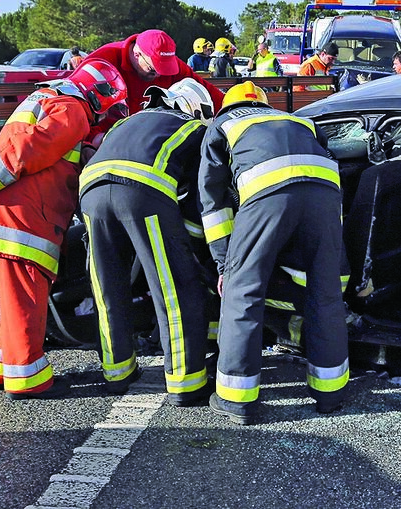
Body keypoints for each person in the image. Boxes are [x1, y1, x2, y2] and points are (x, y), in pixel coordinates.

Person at [0, 60, 128, 400]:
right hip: (23, 220)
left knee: (14, 300)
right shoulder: (73, 109)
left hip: (10, 214)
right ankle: (29, 380)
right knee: (27, 300)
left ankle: (1, 368)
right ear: (98, 96)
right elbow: (29, 148)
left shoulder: (48, 100)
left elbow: (46, 154)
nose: (101, 118)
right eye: (107, 109)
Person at [199, 81, 349, 425]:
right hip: (326, 194)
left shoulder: (223, 124)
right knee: (325, 294)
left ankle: (236, 400)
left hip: (267, 192)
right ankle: (330, 393)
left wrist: (224, 265)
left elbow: (213, 203)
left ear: (227, 106)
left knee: (243, 292)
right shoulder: (300, 121)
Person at [78, 78, 216, 404]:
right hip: (142, 191)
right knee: (173, 289)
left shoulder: (126, 122)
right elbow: (199, 198)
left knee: (108, 287)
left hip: (91, 192)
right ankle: (186, 383)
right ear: (197, 109)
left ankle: (117, 373)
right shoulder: (194, 129)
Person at [81, 29, 224, 115]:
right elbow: (79, 106)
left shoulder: (171, 64)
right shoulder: (102, 60)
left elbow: (206, 92)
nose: (159, 75)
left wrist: (231, 108)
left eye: (165, 71)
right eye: (152, 70)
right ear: (137, 54)